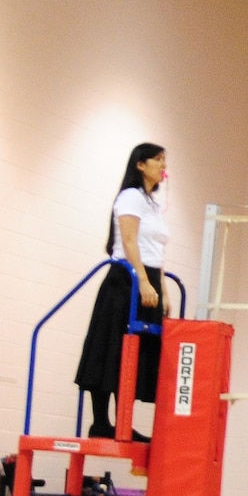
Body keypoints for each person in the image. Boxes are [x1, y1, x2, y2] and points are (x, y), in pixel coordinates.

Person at [75, 143, 170, 440]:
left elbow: (155, 250)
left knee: (137, 352)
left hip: (148, 277)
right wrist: (142, 280)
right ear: (140, 164)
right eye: (157, 160)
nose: (163, 166)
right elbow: (129, 241)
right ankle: (101, 422)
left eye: (164, 160)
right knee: (112, 347)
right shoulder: (131, 197)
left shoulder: (153, 204)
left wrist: (162, 288)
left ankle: (123, 422)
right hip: (126, 278)